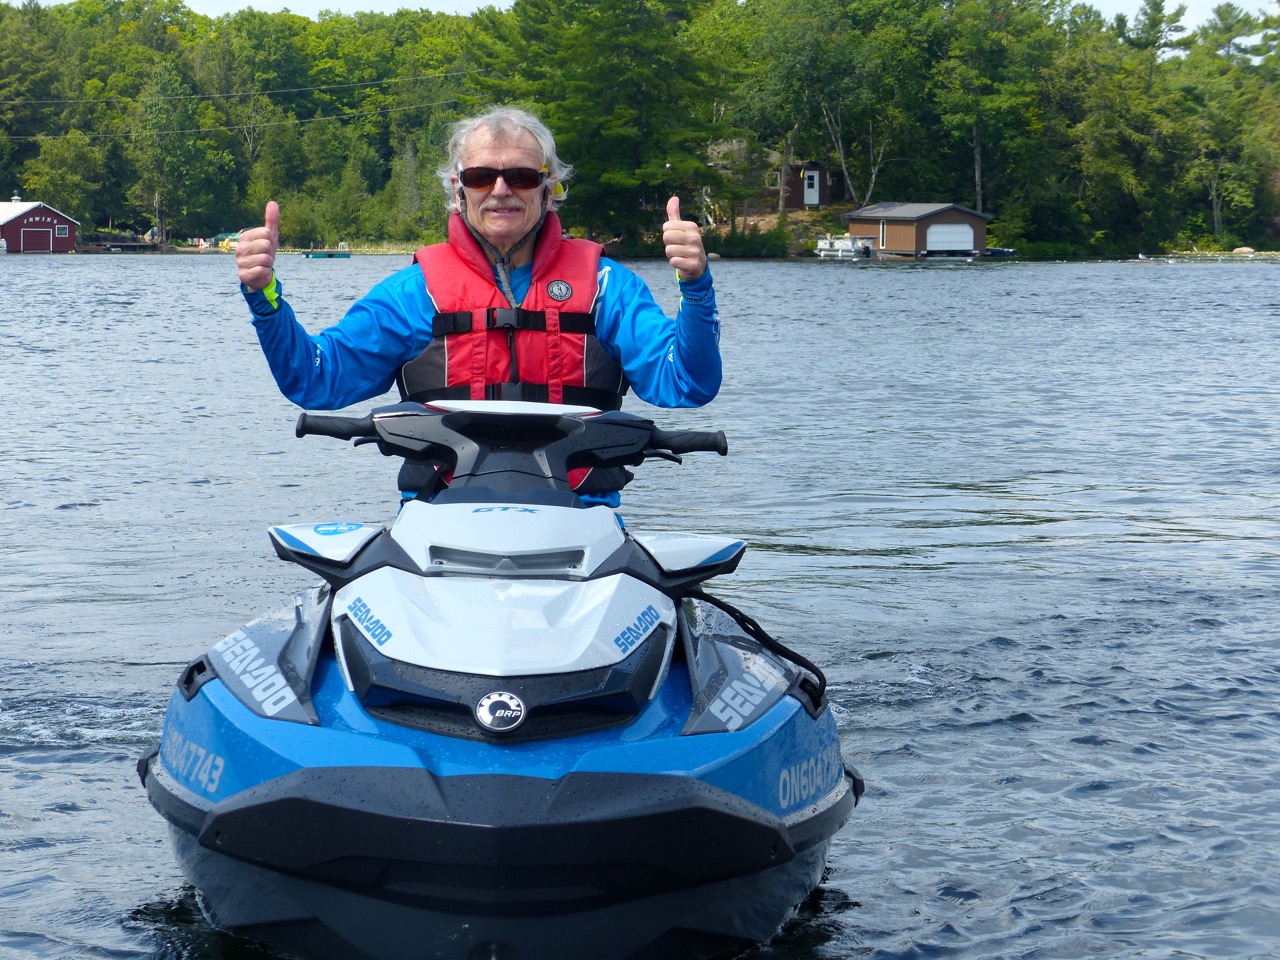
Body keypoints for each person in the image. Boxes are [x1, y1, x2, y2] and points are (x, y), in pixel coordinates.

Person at [236, 106, 721, 505]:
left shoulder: (605, 286)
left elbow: (687, 382)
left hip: (582, 519)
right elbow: (316, 377)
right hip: (438, 518)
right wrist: (265, 298)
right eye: (482, 175)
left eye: (523, 176)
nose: (502, 189)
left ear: (550, 188)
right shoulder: (413, 292)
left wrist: (695, 285)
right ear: (457, 187)